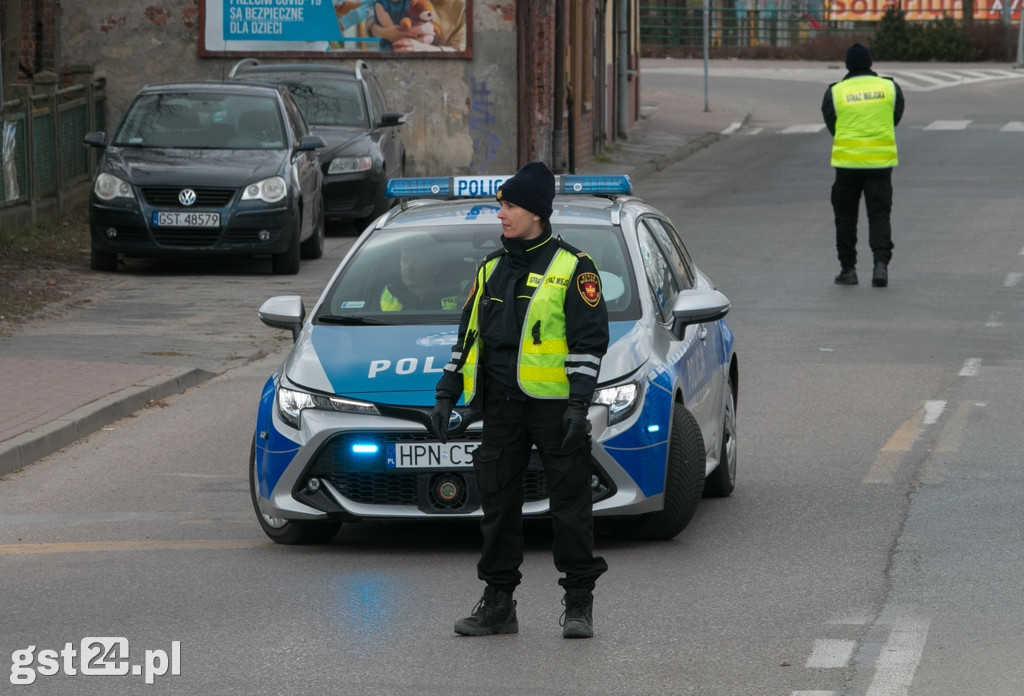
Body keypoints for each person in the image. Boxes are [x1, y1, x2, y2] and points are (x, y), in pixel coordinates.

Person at [429, 161, 610, 639]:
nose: (501, 215)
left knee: (570, 507)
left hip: (555, 411)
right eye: (501, 206)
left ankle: (577, 604)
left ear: (536, 213)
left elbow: (589, 345)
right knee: (498, 508)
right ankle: (498, 605)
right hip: (502, 409)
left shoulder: (575, 268)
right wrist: (447, 393)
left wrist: (577, 406)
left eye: (509, 206)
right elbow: (467, 340)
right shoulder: (490, 269)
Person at [821, 42, 905, 287]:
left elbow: (832, 124)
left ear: (847, 65)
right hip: (880, 164)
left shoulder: (836, 91)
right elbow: (895, 116)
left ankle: (848, 269)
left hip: (847, 165)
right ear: (870, 63)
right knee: (879, 214)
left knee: (846, 217)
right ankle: (881, 265)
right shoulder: (889, 88)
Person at [379, 240, 462, 311]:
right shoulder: (388, 293)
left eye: (417, 260)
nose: (409, 267)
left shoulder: (460, 292)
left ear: (435, 267)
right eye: (405, 260)